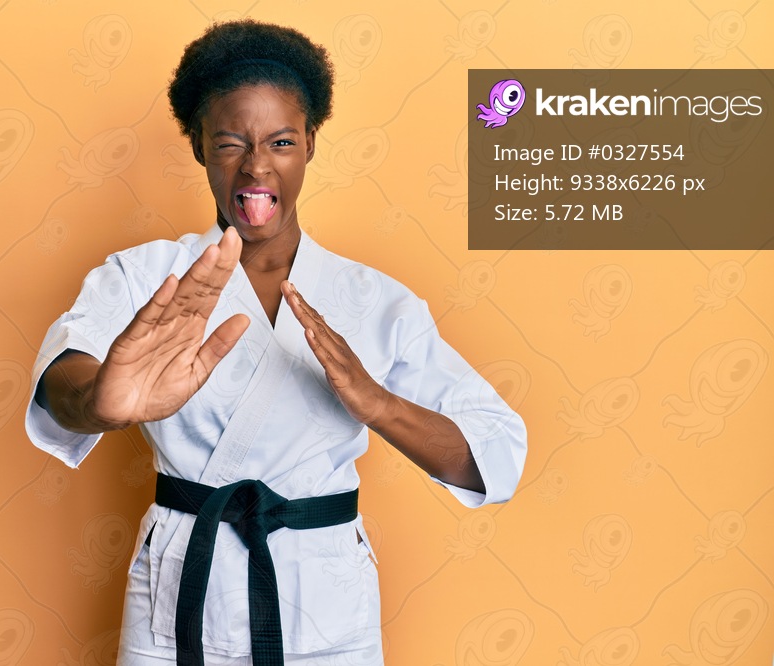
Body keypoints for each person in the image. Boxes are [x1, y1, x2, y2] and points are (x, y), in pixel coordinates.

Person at [26, 19, 526, 666]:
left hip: (327, 603)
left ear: (310, 143)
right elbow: (63, 381)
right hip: (179, 592)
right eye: (231, 142)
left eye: (282, 141)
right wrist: (99, 401)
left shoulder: (375, 301)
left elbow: (498, 455)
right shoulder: (145, 277)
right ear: (200, 146)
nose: (257, 165)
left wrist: (378, 404)